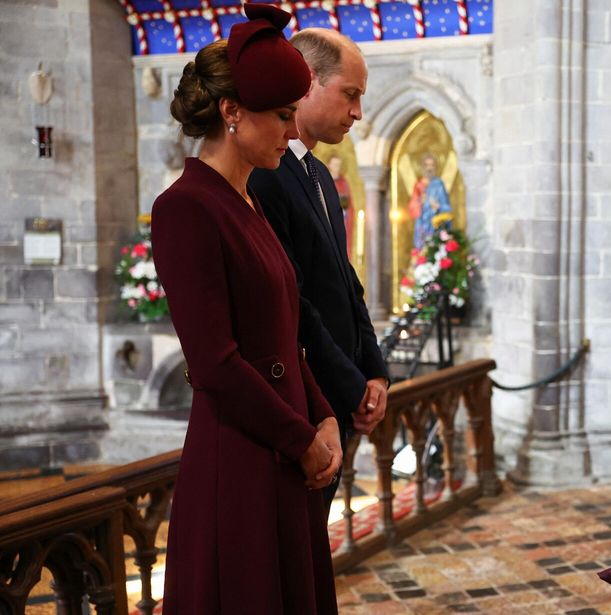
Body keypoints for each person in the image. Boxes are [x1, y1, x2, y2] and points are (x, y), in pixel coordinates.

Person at [151, 5, 340, 613]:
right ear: (232, 113)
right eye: (283, 116)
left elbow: (284, 332)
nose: (292, 132)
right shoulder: (186, 208)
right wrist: (300, 438)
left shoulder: (247, 200)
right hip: (241, 455)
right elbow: (216, 363)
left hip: (281, 446)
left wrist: (322, 413)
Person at [248, 28, 388, 509]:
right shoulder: (268, 177)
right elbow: (296, 299)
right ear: (307, 82)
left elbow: (347, 283)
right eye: (350, 94)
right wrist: (352, 389)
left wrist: (376, 372)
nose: (357, 112)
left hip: (342, 393)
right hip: (307, 402)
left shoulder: (321, 175)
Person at [409, 152, 453, 250]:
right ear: (422, 167)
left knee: (435, 247)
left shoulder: (439, 184)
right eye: (427, 165)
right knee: (422, 247)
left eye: (432, 165)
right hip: (422, 223)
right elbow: (412, 208)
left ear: (435, 167)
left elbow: (447, 207)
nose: (429, 168)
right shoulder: (418, 186)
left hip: (436, 222)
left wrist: (438, 206)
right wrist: (420, 202)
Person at [326, 154, 354, 259]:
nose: (337, 167)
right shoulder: (324, 179)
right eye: (335, 164)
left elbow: (349, 205)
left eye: (339, 164)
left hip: (342, 218)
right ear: (329, 165)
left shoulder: (344, 182)